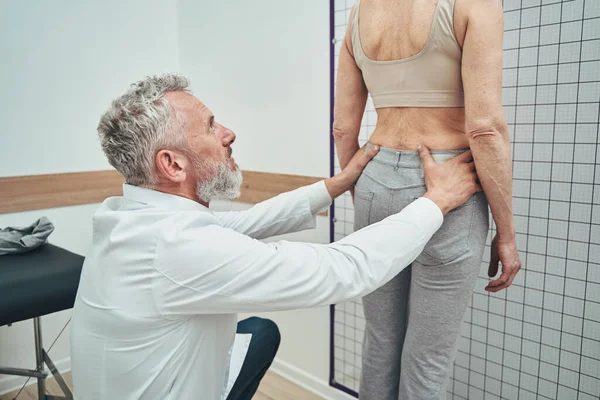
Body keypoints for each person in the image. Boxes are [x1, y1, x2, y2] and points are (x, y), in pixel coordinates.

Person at [70, 74, 480, 400]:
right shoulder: (176, 248)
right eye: (211, 126)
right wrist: (436, 202)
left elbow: (249, 224)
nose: (228, 133)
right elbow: (343, 270)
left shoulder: (132, 218)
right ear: (173, 164)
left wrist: (337, 183)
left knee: (260, 332)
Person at [333, 0, 522, 398]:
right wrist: (506, 233)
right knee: (427, 357)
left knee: (379, 342)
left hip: (375, 174)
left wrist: (362, 192)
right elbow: (485, 128)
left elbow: (342, 128)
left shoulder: (359, 13)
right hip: (448, 186)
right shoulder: (475, 4)